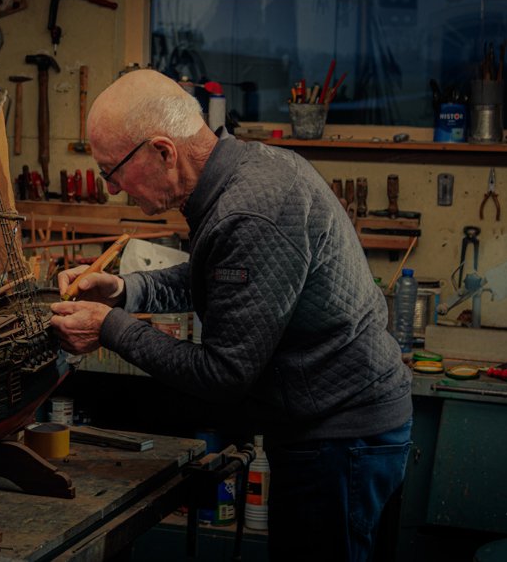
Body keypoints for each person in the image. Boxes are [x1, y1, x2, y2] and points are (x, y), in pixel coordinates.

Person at [49, 69, 412, 562]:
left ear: (164, 152)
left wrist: (108, 328)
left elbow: (224, 373)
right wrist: (124, 290)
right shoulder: (246, 170)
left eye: (111, 171)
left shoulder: (249, 210)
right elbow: (219, 276)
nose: (112, 190)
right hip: (336, 425)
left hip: (341, 438)